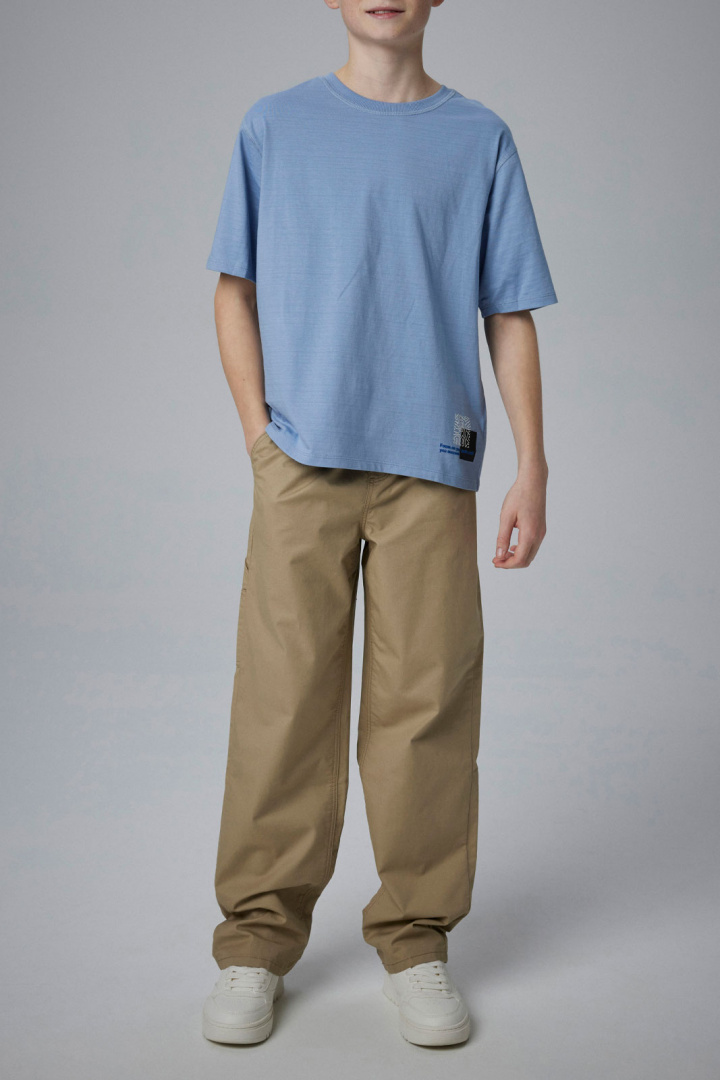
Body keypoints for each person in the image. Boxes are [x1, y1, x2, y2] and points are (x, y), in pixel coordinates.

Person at [201, 0, 557, 1049]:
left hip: (431, 468)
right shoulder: (275, 125)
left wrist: (532, 464)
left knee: (426, 707)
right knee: (282, 704)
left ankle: (415, 939)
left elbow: (508, 311)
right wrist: (260, 438)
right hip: (302, 464)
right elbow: (233, 287)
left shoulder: (479, 138)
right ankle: (256, 941)